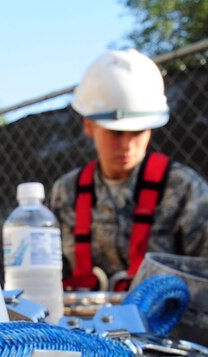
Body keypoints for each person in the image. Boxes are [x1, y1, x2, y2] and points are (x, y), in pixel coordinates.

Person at [49, 49, 208, 291]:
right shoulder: (66, 192)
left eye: (138, 132)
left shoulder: (182, 187)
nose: (127, 145)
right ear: (89, 126)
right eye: (116, 133)